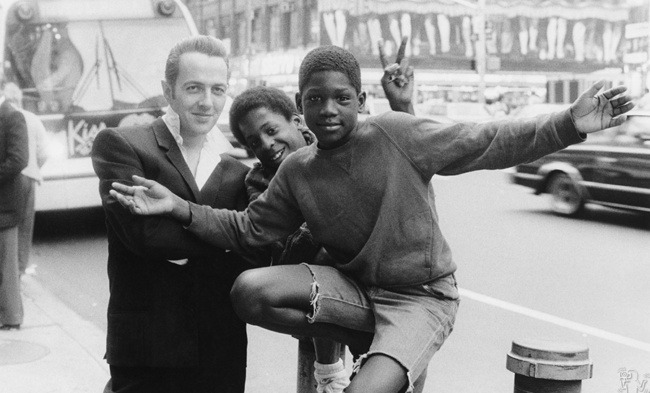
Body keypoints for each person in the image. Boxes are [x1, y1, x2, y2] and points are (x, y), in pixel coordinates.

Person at [109, 45, 634, 393]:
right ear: (302, 106)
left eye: (342, 98)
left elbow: (489, 140)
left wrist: (569, 123)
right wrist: (177, 206)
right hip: (354, 293)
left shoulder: (396, 134)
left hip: (421, 298)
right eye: (316, 99)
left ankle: (380, 354)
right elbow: (247, 230)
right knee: (249, 290)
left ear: (361, 100)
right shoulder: (296, 170)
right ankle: (360, 342)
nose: (329, 110)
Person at [225, 39, 414, 393]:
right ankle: (329, 369)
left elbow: (407, 160)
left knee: (402, 374)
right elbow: (273, 241)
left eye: (271, 130)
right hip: (319, 285)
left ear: (297, 119)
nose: (265, 145)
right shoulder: (261, 179)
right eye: (253, 142)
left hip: (385, 281)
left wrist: (401, 105)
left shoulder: (343, 138)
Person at [90, 35, 258, 393]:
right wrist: (230, 236)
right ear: (169, 91)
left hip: (220, 345)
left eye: (218, 89)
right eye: (194, 88)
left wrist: (235, 238)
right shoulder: (123, 145)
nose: (207, 102)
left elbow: (255, 246)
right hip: (148, 344)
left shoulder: (237, 170)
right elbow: (147, 238)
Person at [4, 82, 49, 275]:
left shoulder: (5, 118)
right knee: (25, 227)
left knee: (9, 227)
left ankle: (10, 271)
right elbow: (43, 151)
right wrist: (35, 168)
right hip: (29, 177)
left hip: (11, 179)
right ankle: (20, 270)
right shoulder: (31, 118)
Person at [0, 80, 29, 331]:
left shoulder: (12, 117)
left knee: (7, 265)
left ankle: (11, 317)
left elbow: (19, 159)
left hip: (6, 204)